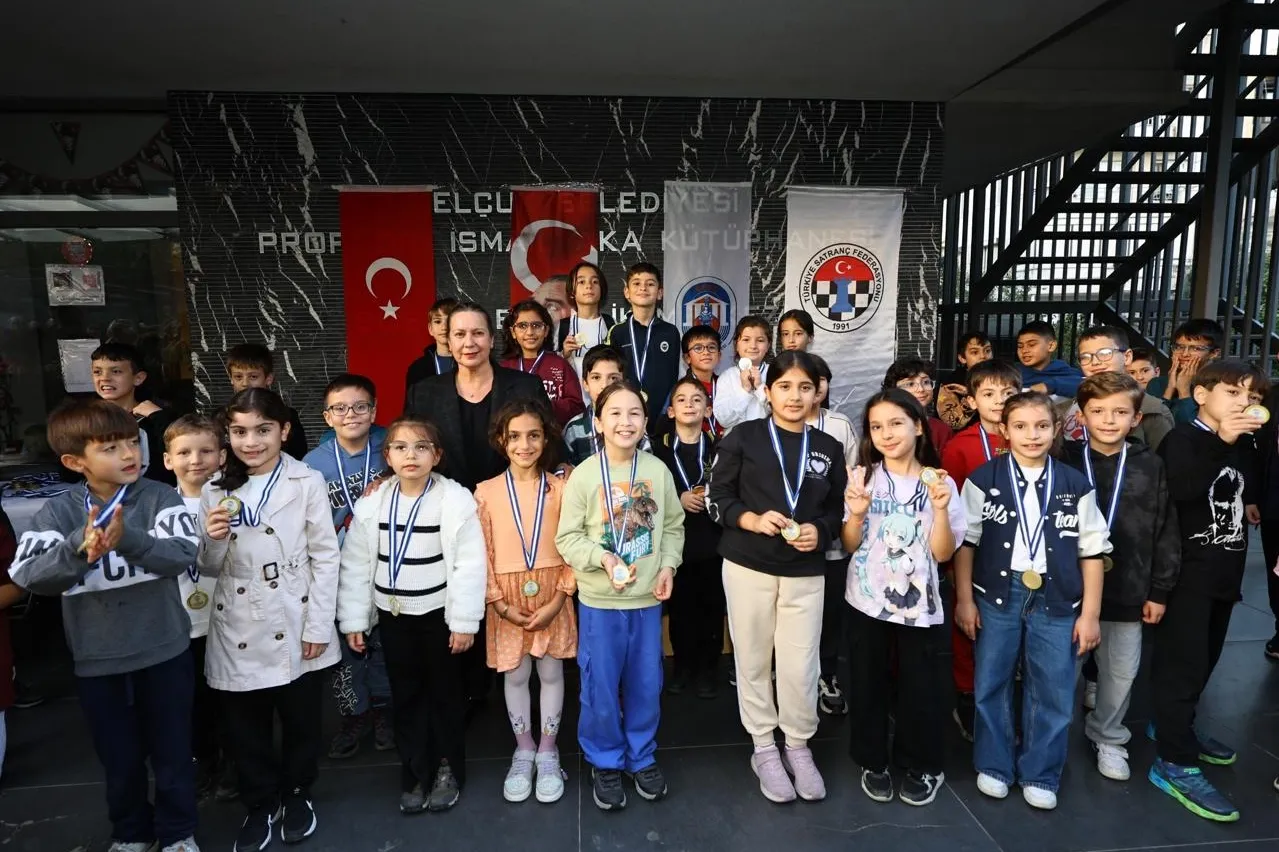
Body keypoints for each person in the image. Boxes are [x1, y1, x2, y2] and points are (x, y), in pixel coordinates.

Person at [10, 399, 200, 852]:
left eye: (132, 442)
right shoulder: (59, 513)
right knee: (119, 759)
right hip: (98, 661)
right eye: (110, 448)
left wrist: (128, 538)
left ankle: (178, 833)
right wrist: (81, 546)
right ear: (75, 462)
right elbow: (28, 575)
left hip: (165, 652)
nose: (129, 454)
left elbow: (181, 554)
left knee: (174, 753)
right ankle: (132, 833)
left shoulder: (159, 497)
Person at [199, 388, 340, 852]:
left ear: (284, 431)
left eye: (263, 430)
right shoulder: (214, 486)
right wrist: (213, 539)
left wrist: (318, 625)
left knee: (301, 718)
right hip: (238, 616)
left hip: (294, 609)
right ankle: (259, 803)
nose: (251, 442)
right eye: (239, 432)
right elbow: (209, 567)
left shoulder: (306, 480)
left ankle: (298, 791)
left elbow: (326, 556)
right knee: (245, 725)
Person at [954, 391, 1110, 811]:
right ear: (1004, 431)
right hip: (996, 596)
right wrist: (964, 600)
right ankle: (994, 764)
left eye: (1042, 426)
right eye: (1020, 426)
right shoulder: (983, 479)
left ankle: (1041, 772)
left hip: (1057, 598)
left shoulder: (1075, 484)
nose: (1032, 435)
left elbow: (1092, 552)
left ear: (1056, 429)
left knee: (1053, 687)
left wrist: (1090, 614)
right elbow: (966, 543)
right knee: (992, 680)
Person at [707, 351, 847, 805]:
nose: (794, 396)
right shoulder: (743, 437)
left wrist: (820, 531)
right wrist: (750, 519)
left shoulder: (828, 447)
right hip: (747, 564)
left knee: (800, 664)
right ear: (767, 392)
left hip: (806, 571)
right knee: (752, 659)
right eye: (784, 387)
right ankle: (764, 746)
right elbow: (717, 497)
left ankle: (799, 745)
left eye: (805, 388)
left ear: (817, 394)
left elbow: (837, 509)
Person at [337, 415, 485, 814]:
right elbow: (356, 564)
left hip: (439, 618)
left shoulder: (454, 501)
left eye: (422, 447)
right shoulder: (373, 503)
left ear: (437, 455)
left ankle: (446, 768)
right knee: (406, 696)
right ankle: (415, 770)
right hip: (393, 617)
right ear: (387, 456)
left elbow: (469, 565)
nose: (411, 455)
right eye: (401, 447)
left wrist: (464, 622)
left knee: (445, 696)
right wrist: (355, 619)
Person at [1148, 360, 1269, 822]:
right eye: (1233, 393)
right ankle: (1173, 762)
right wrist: (1223, 442)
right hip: (1187, 576)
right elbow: (1183, 490)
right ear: (1201, 395)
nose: (1244, 403)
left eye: (1252, 397)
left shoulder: (1244, 442)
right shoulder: (1182, 439)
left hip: (1225, 571)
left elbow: (1244, 489)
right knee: (1181, 667)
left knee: (1206, 661)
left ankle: (1175, 727)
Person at [555, 381, 683, 812]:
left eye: (634, 413)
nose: (625, 422)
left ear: (645, 422)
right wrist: (603, 558)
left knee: (647, 683)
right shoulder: (585, 475)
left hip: (647, 600)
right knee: (601, 686)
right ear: (597, 422)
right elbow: (568, 538)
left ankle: (641, 754)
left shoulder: (657, 471)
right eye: (614, 413)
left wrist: (668, 566)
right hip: (600, 602)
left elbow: (672, 526)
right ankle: (605, 759)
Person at [842, 389, 965, 806]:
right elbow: (849, 543)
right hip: (866, 600)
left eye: (896, 423)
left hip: (919, 604)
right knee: (867, 682)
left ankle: (923, 764)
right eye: (876, 427)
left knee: (922, 686)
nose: (886, 434)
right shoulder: (863, 478)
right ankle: (872, 760)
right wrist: (858, 512)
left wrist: (941, 509)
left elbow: (943, 553)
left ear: (918, 426)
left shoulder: (940, 482)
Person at [1061, 373, 1179, 783]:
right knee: (1060, 671)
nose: (1109, 420)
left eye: (1120, 412)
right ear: (1082, 416)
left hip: (1129, 586)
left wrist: (1160, 589)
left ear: (1136, 418)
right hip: (1069, 590)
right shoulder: (1064, 460)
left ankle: (1108, 736)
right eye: (1098, 411)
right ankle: (1050, 737)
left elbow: (1165, 529)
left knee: (1120, 673)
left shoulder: (1151, 464)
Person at [475, 400, 577, 804]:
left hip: (553, 596)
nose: (525, 444)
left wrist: (560, 597)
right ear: (501, 440)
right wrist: (498, 603)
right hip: (506, 600)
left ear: (546, 438)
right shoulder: (484, 492)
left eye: (534, 435)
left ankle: (548, 751)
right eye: (514, 436)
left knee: (551, 673)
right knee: (515, 676)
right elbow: (480, 553)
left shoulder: (563, 489)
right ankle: (524, 749)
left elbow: (574, 543)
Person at [302, 375, 393, 760]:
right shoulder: (312, 464)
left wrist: (388, 474)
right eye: (339, 408)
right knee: (346, 646)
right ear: (327, 416)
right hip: (340, 570)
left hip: (388, 563)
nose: (350, 414)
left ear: (373, 410)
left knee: (384, 643)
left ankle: (386, 711)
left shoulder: (391, 444)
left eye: (360, 406)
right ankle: (354, 714)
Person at [940, 358, 1019, 740]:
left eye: (1008, 393)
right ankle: (966, 695)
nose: (999, 400)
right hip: (973, 552)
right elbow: (950, 511)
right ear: (971, 401)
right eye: (989, 393)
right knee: (967, 625)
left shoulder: (1030, 436)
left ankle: (1004, 697)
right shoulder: (960, 447)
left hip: (1020, 553)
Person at [403, 302, 551, 492]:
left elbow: (551, 445)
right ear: (449, 343)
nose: (469, 343)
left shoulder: (527, 386)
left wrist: (563, 466)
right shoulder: (423, 394)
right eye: (460, 334)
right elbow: (407, 448)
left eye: (478, 333)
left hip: (513, 499)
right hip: (446, 503)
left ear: (491, 340)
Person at [162, 415, 229, 799]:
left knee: (231, 699)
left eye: (206, 451)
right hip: (180, 622)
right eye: (184, 452)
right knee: (190, 700)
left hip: (228, 619)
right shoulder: (157, 507)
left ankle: (235, 761)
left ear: (222, 456)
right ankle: (202, 759)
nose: (195, 460)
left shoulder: (233, 501)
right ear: (167, 459)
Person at [654, 376, 724, 698]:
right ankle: (682, 667)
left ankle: (709, 669)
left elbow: (729, 487)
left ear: (708, 409)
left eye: (697, 400)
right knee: (680, 610)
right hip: (675, 544)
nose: (689, 405)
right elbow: (650, 491)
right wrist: (678, 498)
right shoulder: (658, 449)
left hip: (712, 542)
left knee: (711, 608)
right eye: (681, 400)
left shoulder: (720, 448)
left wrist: (711, 496)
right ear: (670, 411)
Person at [808, 355, 858, 716]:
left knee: (829, 612)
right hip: (788, 542)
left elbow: (852, 479)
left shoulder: (839, 425)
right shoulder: (769, 424)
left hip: (832, 540)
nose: (807, 391)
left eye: (817, 381)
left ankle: (827, 674)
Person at [1059, 326, 1174, 451]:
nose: (1095, 362)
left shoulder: (1153, 410)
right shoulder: (1067, 408)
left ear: (1127, 357)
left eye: (1105, 353)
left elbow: (1162, 460)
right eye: (1085, 357)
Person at [604, 263, 682, 433]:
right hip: (626, 415)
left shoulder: (670, 332)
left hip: (663, 417)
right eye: (637, 283)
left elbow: (673, 377)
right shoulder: (617, 332)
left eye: (650, 284)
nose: (643, 288)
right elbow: (610, 374)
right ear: (627, 292)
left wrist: (667, 411)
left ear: (660, 293)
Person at [91, 341, 178, 485]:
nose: (105, 378)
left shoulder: (154, 416)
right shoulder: (86, 418)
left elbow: (178, 450)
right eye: (97, 372)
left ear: (138, 378)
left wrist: (159, 417)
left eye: (116, 371)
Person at [500, 299, 586, 427]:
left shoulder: (560, 365)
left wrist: (544, 406)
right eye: (522, 326)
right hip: (515, 436)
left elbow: (577, 406)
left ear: (546, 331)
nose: (530, 332)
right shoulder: (504, 368)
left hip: (552, 435)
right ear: (513, 332)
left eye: (536, 325)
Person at [563, 346, 652, 464]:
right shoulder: (574, 428)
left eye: (613, 378)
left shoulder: (632, 424)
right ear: (585, 384)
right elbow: (569, 471)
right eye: (596, 377)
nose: (605, 385)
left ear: (624, 383)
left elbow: (647, 467)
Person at [224, 343, 309, 460]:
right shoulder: (222, 416)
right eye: (238, 377)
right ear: (231, 379)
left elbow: (297, 455)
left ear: (268, 379)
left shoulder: (287, 415)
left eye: (253, 377)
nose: (245, 383)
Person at [1147, 319, 1225, 425]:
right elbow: (1153, 427)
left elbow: (1196, 429)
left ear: (1214, 353)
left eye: (1196, 349)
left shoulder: (1219, 388)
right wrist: (1169, 390)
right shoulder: (1157, 383)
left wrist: (1184, 392)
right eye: (1180, 347)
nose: (1184, 354)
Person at [557, 261, 615, 392]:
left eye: (595, 282)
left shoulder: (610, 324)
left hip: (605, 395)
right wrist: (565, 354)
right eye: (581, 282)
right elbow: (550, 366)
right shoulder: (563, 326)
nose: (589, 286)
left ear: (602, 290)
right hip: (573, 397)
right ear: (572, 291)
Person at [714, 316, 773, 434]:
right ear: (736, 345)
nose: (753, 346)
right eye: (746, 340)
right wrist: (745, 390)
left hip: (768, 441)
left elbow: (781, 413)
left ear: (768, 345)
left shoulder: (775, 373)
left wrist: (760, 387)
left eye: (760, 340)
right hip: (735, 442)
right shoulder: (727, 377)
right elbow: (723, 420)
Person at [883, 357, 952, 452]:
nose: (921, 389)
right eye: (910, 384)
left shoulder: (942, 429)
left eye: (926, 382)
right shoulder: (882, 426)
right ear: (893, 390)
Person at [938, 331, 994, 432]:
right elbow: (951, 421)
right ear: (962, 358)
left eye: (987, 351)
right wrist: (971, 397)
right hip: (965, 436)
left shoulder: (1001, 377)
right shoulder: (952, 382)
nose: (983, 356)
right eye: (975, 352)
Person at [674, 325, 723, 437]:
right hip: (694, 443)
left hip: (725, 444)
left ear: (719, 355)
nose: (706, 352)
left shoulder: (727, 384)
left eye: (711, 347)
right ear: (687, 358)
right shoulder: (680, 389)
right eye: (698, 348)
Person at [403, 297, 460, 393]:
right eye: (438, 321)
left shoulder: (470, 362)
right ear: (430, 329)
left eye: (449, 321)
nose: (444, 327)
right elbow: (411, 402)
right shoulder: (418, 368)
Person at [1015, 321, 1083, 399]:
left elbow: (1089, 385)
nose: (1024, 350)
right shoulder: (1011, 373)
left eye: (1031, 345)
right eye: (1020, 346)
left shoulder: (1065, 372)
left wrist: (1050, 385)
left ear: (1051, 346)